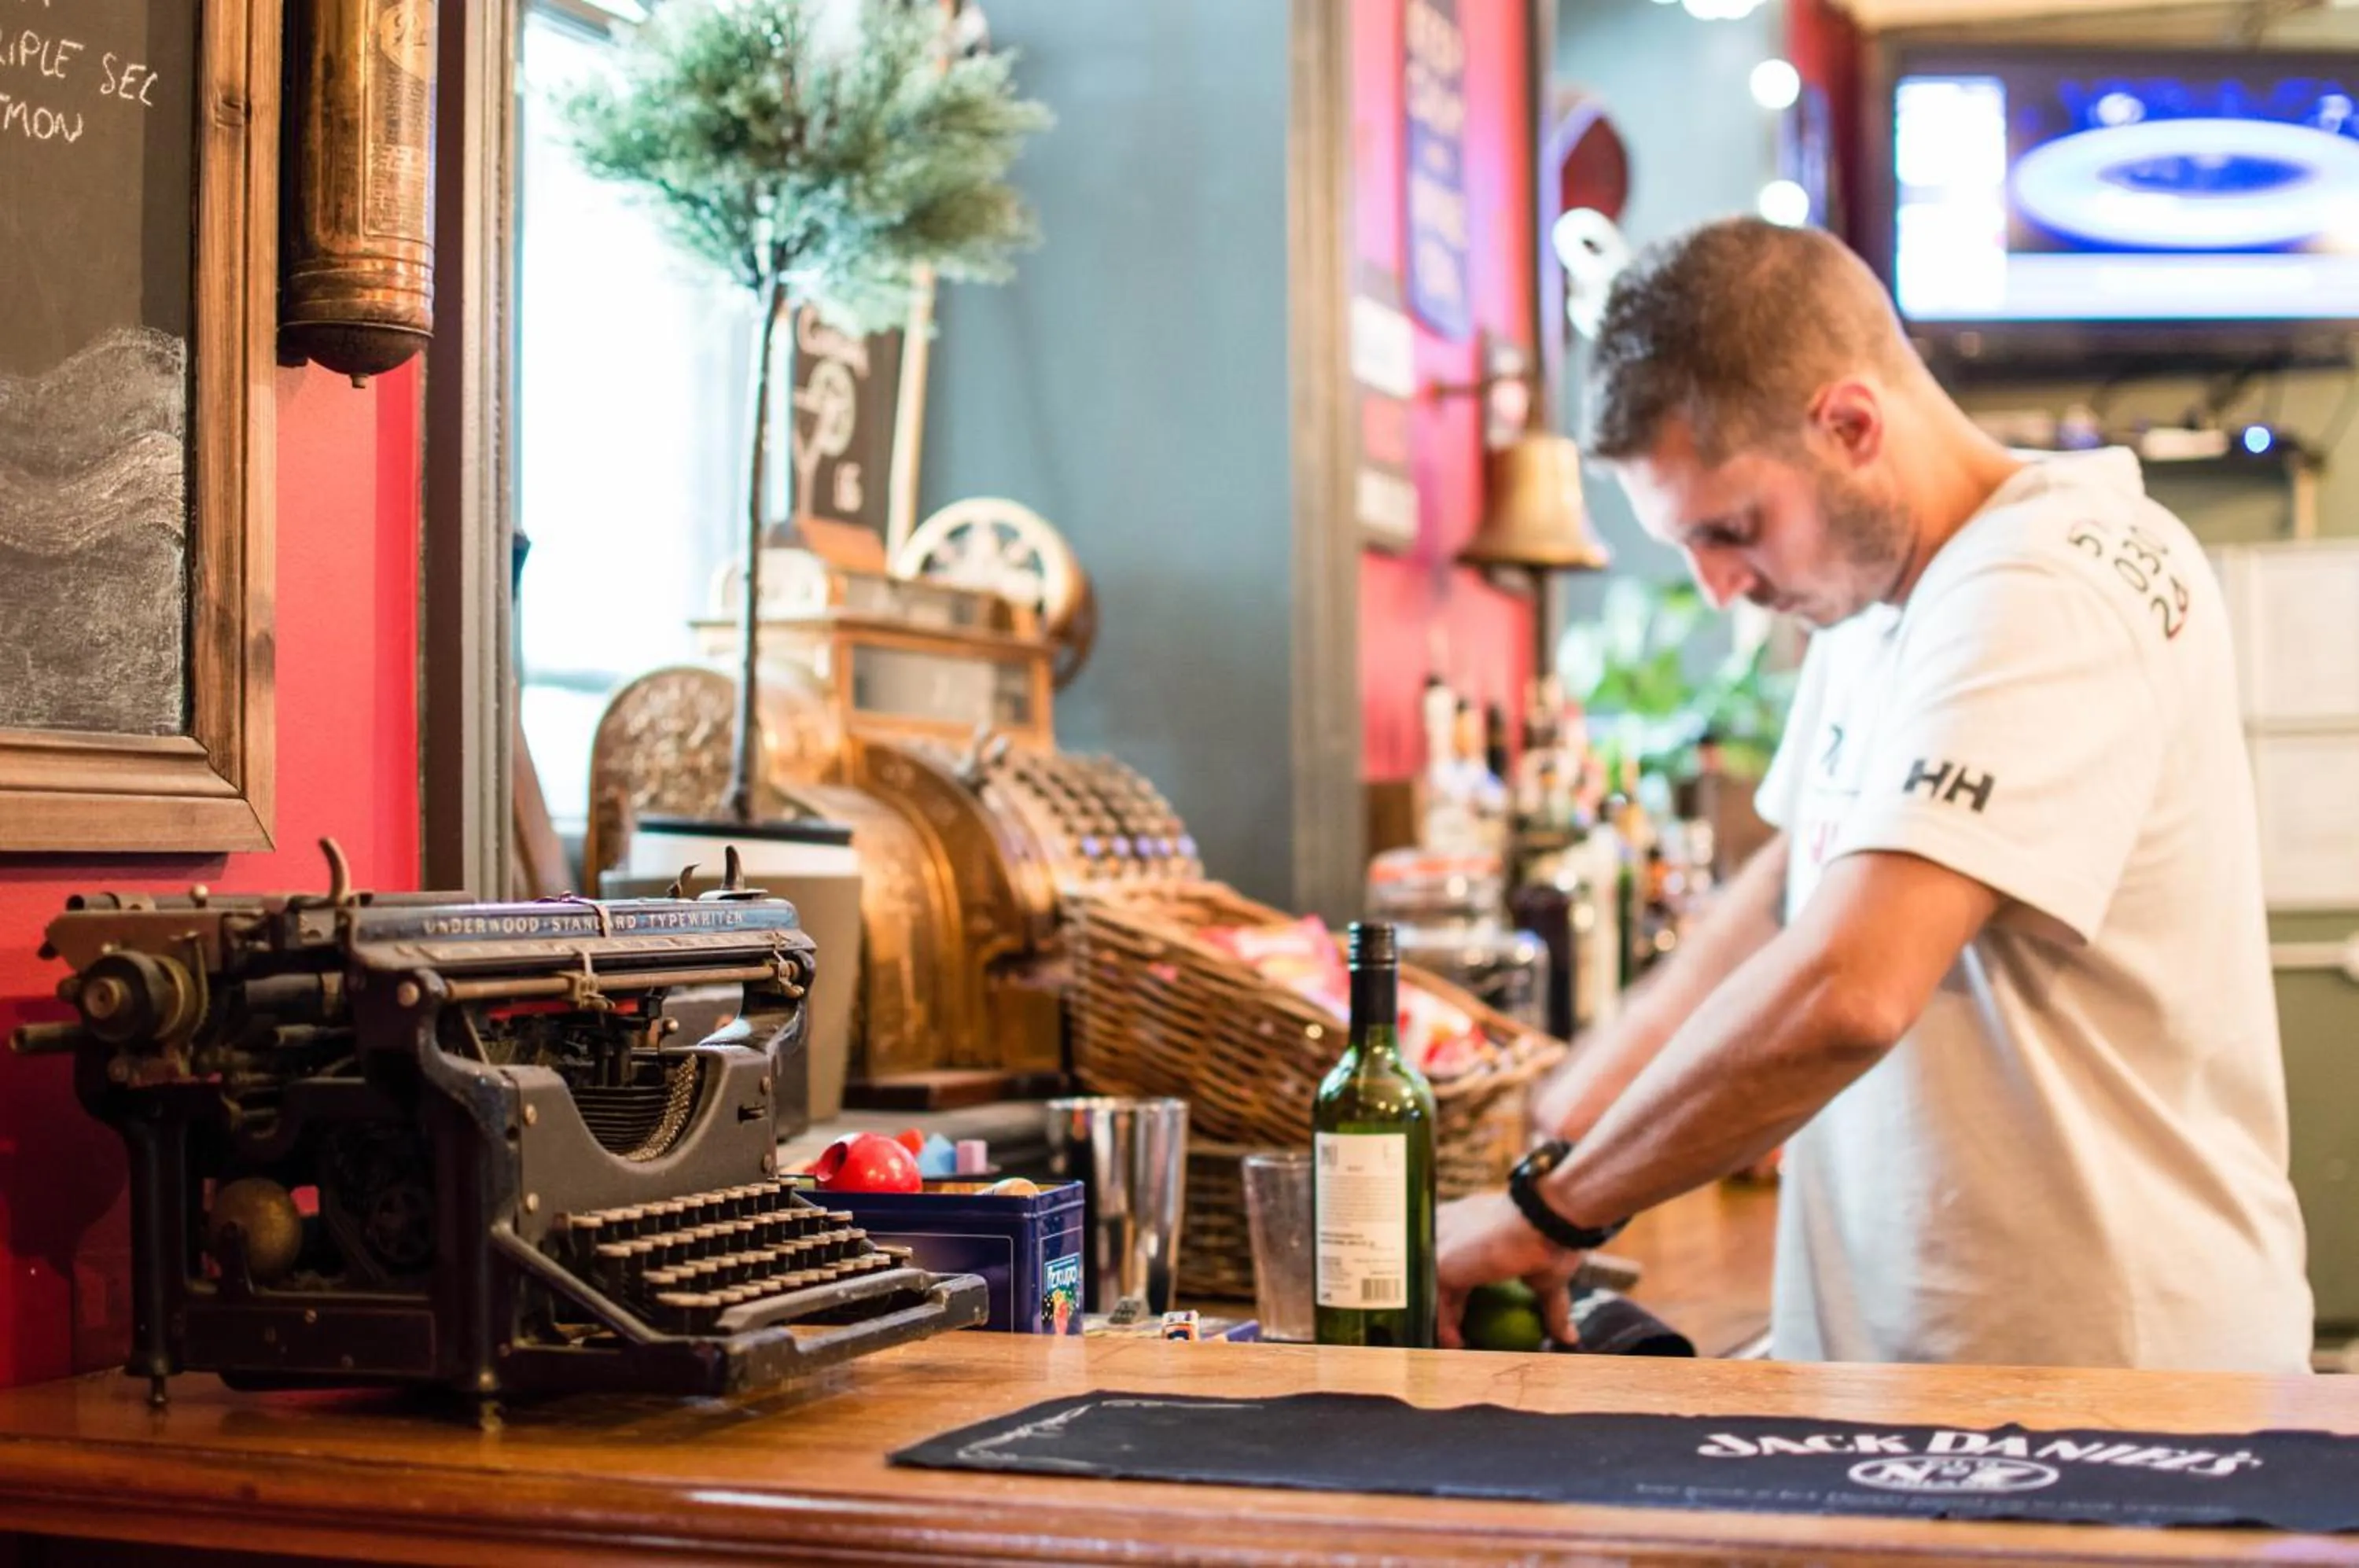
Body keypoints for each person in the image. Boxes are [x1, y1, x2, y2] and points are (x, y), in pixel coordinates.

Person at [1437, 216, 2312, 1371]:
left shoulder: (2045, 583)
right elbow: (1785, 888)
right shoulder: (1878, 590)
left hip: (2109, 1377)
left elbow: (1852, 981)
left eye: (1732, 530)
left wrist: (1556, 1210)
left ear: (1850, 424)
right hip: (1923, 1366)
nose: (1721, 589)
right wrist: (1575, 1102)